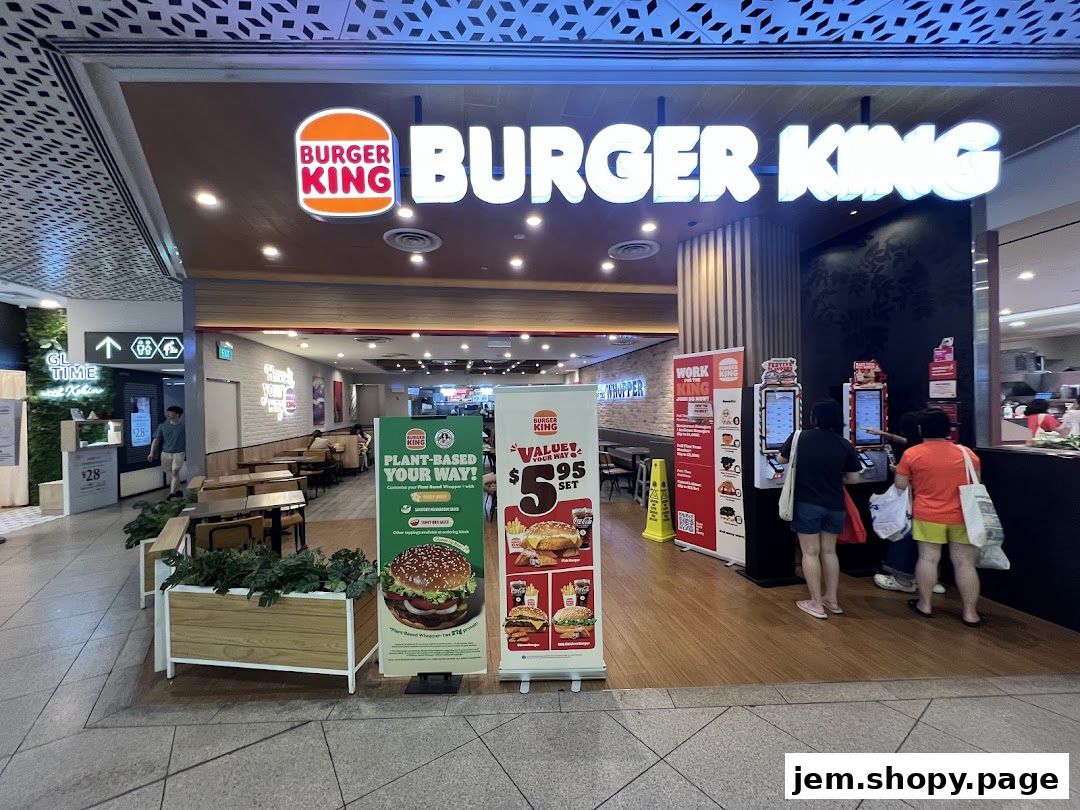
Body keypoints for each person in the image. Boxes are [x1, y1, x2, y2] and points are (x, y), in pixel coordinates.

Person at [894, 408, 984, 627]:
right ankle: (970, 613)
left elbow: (900, 485)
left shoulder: (913, 454)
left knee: (928, 559)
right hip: (963, 515)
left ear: (920, 429)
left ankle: (925, 605)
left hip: (927, 513)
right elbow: (976, 484)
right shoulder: (967, 454)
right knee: (964, 563)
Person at [778, 399, 864, 620]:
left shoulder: (800, 437)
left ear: (814, 417)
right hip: (835, 505)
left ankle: (815, 603)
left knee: (810, 552)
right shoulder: (844, 444)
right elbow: (853, 478)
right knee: (829, 552)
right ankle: (832, 600)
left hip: (807, 504)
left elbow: (781, 458)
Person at [866, 415, 946, 597]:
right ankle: (931, 583)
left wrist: (899, 470)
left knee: (911, 545)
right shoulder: (963, 453)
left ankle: (903, 581)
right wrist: (884, 434)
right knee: (936, 553)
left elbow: (901, 484)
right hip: (952, 512)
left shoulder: (914, 454)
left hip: (920, 507)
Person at [148, 406, 186, 498]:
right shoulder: (163, 426)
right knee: (173, 474)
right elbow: (156, 439)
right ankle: (179, 490)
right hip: (166, 453)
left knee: (175, 471)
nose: (169, 414)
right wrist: (152, 452)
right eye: (168, 412)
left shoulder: (183, 427)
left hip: (179, 452)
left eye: (171, 412)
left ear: (177, 414)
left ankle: (172, 494)